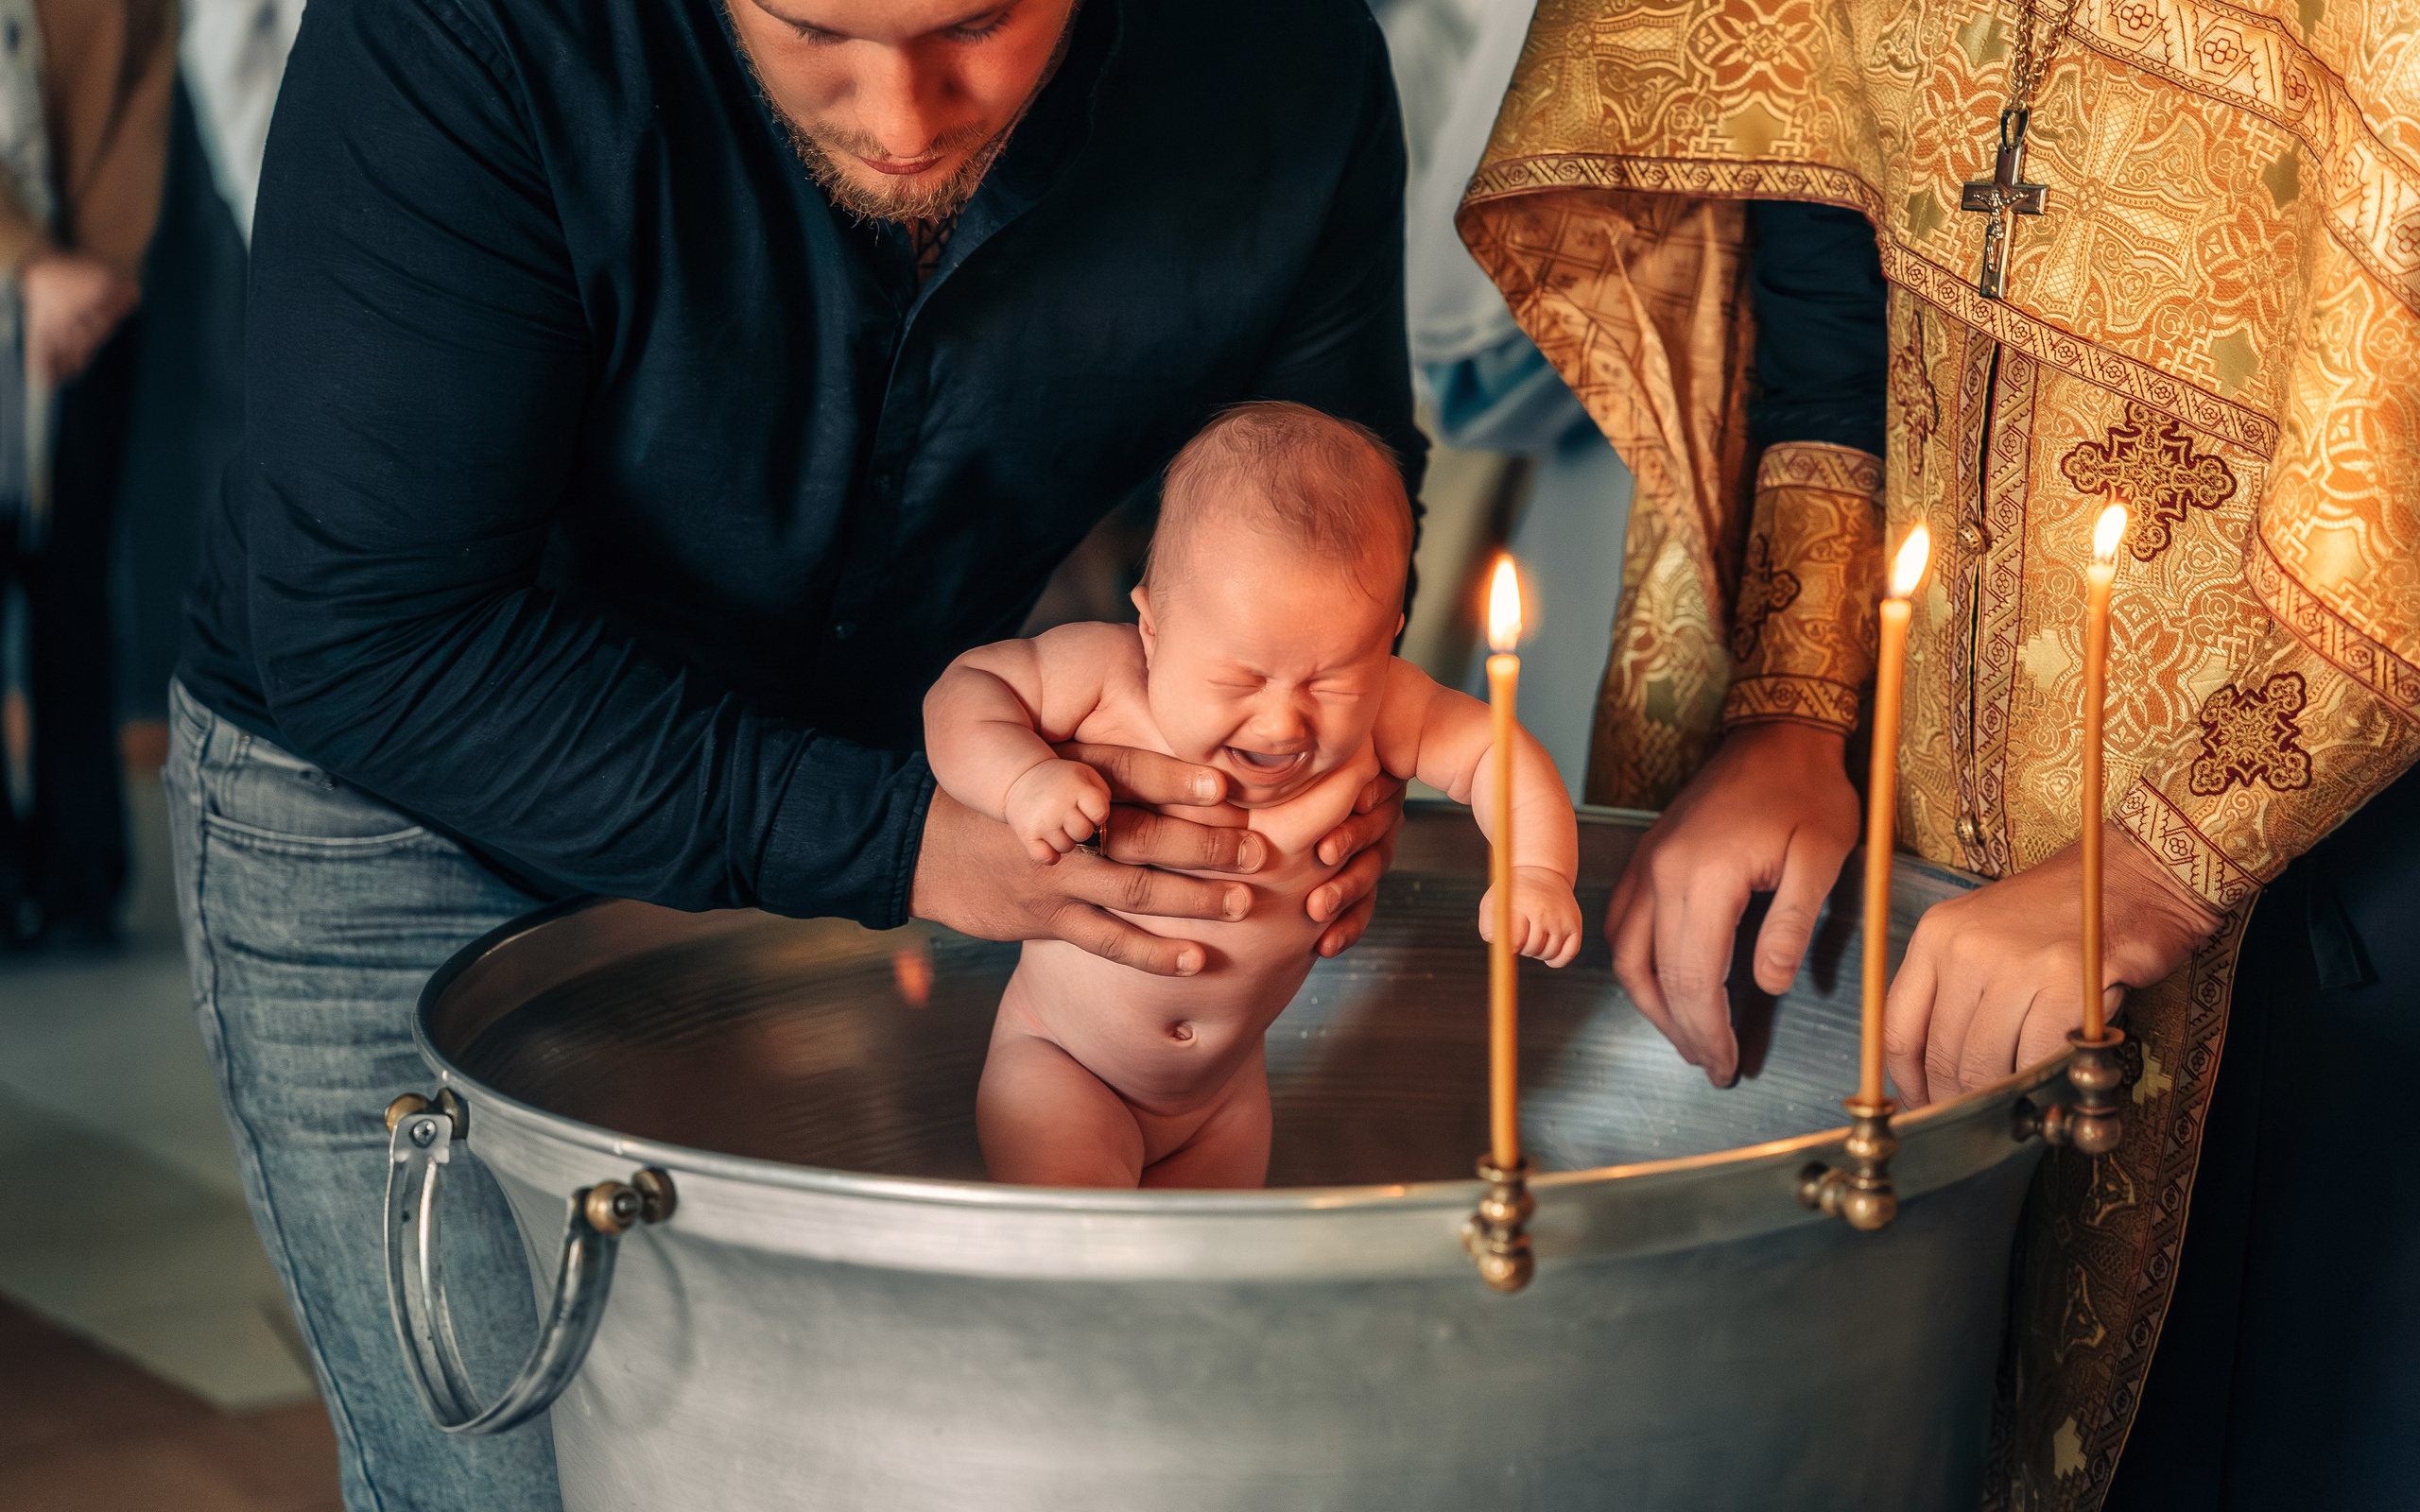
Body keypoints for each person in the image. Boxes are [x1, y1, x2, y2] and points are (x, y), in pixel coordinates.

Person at [168, 2, 1422, 1507]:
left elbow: (1317, 499)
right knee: (505, 1482)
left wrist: (1320, 741)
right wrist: (903, 840)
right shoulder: (461, 33)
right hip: (403, 799)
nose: (903, 114)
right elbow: (379, 633)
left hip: (897, 781)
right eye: (815, 26)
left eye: (982, 25)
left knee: (839, 1460)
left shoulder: (1272, 48)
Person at [1453, 3, 2417, 1507]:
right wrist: (1787, 703)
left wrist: (2172, 857)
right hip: (1899, 776)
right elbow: (1820, 207)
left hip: (2336, 911)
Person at [928, 403, 1579, 1187]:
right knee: (1083, 1266)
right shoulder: (1104, 677)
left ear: (1388, 636)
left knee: (1208, 1294)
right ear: (1153, 627)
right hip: (1064, 1065)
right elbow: (965, 691)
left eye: (1331, 678)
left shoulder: (1388, 705)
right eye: (1240, 679)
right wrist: (1020, 779)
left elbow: (1497, 752)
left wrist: (1538, 870)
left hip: (1224, 1097)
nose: (1282, 720)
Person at [0, 0, 172, 948]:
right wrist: (25, 260)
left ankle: (80, 874)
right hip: (20, 279)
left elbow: (145, 82)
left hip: (89, 307)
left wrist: (95, 277)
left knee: (75, 578)